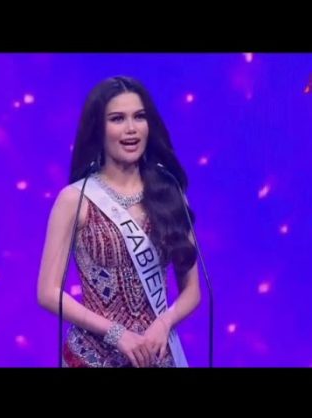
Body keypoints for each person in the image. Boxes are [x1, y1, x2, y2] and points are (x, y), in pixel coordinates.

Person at [37, 76, 200, 367]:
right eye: (117, 119)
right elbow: (48, 293)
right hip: (91, 358)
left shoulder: (170, 194)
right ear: (98, 130)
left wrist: (164, 323)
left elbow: (193, 291)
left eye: (139, 117)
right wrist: (116, 334)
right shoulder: (75, 199)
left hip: (154, 356)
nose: (131, 128)